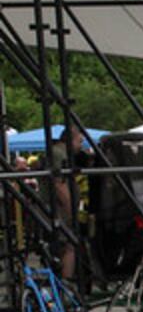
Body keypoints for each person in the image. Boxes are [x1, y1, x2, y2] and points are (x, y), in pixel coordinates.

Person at [48, 123, 86, 290]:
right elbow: (59, 184)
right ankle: (66, 286)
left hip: (58, 209)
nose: (81, 146)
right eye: (80, 141)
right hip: (58, 210)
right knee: (69, 245)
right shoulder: (59, 155)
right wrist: (71, 209)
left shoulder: (59, 153)